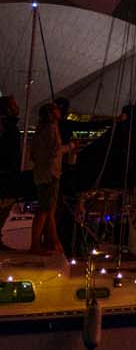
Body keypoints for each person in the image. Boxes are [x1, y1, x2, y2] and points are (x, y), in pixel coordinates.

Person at [27, 103, 73, 253]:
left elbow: (33, 154)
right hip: (51, 174)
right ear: (52, 114)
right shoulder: (52, 129)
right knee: (45, 210)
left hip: (40, 173)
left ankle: (53, 242)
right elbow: (55, 151)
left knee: (49, 210)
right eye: (56, 109)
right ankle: (35, 244)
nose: (59, 111)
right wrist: (71, 147)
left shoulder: (39, 130)